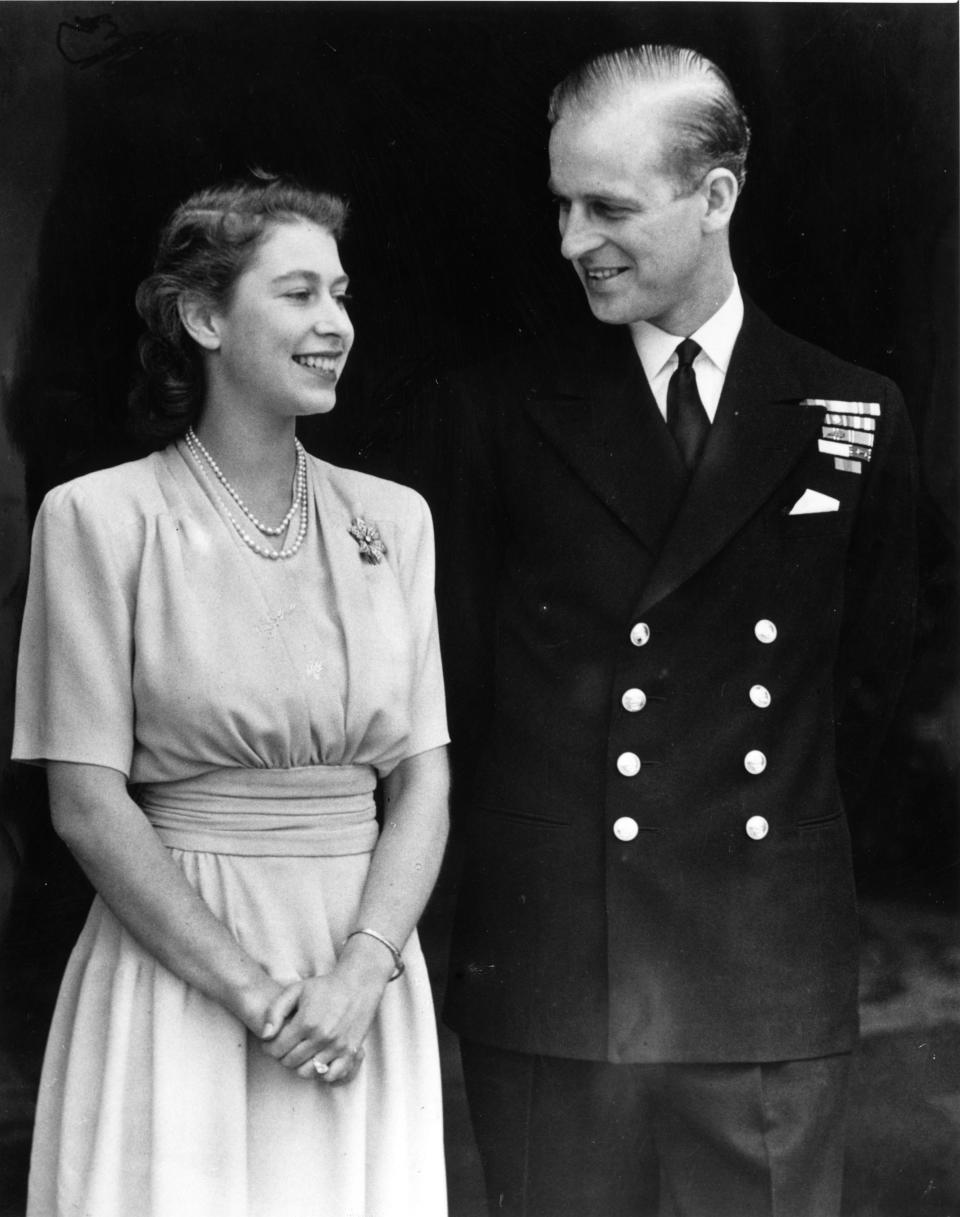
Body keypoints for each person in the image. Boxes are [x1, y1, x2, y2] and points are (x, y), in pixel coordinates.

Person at [440, 45, 917, 1217]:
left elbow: (876, 682)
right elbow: (452, 680)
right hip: (559, 962)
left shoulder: (853, 409)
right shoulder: (497, 409)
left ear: (717, 196)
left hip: (759, 959)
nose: (571, 241)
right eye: (560, 204)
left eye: (608, 207)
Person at [12, 176, 450, 1217]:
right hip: (182, 970)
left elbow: (424, 776)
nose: (335, 323)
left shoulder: (394, 521)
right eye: (298, 294)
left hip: (359, 979)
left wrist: (357, 976)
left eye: (340, 294)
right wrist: (255, 994)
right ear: (205, 317)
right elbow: (84, 799)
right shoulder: (99, 520)